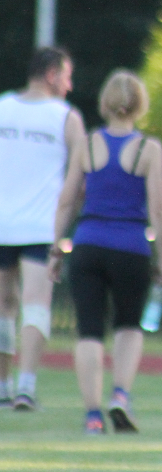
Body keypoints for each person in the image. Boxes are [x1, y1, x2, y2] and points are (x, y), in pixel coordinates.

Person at [48, 70, 162, 434]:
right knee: (128, 324)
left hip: (88, 243)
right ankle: (120, 394)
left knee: (88, 330)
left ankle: (92, 414)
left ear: (104, 102)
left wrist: (57, 244)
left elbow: (68, 198)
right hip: (131, 246)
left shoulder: (86, 145)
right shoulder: (149, 149)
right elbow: (159, 209)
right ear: (139, 104)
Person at [0, 46, 86, 410]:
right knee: (33, 306)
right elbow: (82, 173)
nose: (69, 86)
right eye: (66, 77)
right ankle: (22, 386)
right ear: (51, 74)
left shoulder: (5, 106)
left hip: (19, 225)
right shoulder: (65, 116)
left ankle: (11, 386)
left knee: (7, 307)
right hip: (36, 227)